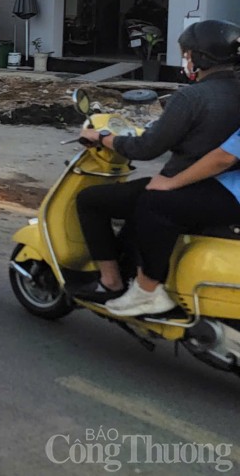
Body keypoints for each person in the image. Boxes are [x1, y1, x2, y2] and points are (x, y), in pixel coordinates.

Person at [74, 19, 240, 303]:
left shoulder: (191, 97)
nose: (185, 61)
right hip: (217, 187)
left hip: (206, 186)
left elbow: (149, 148)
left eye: (187, 55)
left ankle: (117, 283)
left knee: (92, 200)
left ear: (202, 57)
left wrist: (103, 138)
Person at [105, 129, 240, 317]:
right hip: (228, 183)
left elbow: (224, 158)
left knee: (153, 203)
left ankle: (147, 290)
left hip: (235, 194)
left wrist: (172, 182)